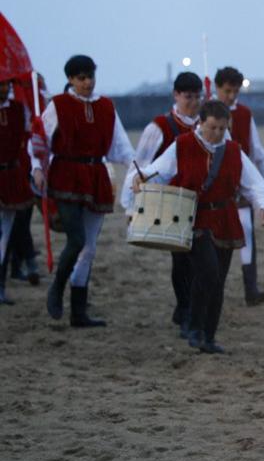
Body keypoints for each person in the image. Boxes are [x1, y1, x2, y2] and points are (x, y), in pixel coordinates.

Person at [132, 100, 264, 353]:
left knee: (218, 280)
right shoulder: (183, 145)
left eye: (222, 128)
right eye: (213, 128)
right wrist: (142, 176)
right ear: (201, 123)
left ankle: (209, 337)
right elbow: (160, 170)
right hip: (194, 217)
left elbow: (254, 184)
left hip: (225, 218)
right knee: (208, 271)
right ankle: (195, 326)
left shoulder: (233, 151)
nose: (218, 133)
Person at [32, 55, 135, 327]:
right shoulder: (58, 105)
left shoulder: (106, 106)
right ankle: (57, 288)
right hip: (66, 176)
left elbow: (121, 145)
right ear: (70, 79)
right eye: (81, 78)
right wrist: (37, 168)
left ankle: (78, 312)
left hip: (96, 177)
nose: (87, 83)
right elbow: (40, 141)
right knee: (76, 240)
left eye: (90, 77)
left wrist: (138, 170)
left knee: (89, 248)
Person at [122, 71, 202, 337]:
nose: (193, 102)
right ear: (176, 95)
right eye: (188, 97)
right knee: (182, 260)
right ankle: (185, 309)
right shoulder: (159, 127)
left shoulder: (207, 125)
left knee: (200, 260)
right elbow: (139, 165)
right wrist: (130, 206)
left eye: (197, 97)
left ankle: (189, 309)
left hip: (202, 201)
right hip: (170, 202)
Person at [214, 66, 264, 306]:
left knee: (246, 232)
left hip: (240, 185)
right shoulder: (206, 112)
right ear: (217, 88)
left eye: (235, 92)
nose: (231, 96)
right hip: (213, 188)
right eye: (227, 91)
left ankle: (251, 288)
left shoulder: (245, 114)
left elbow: (257, 151)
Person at [0, 77, 34, 305]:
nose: (4, 88)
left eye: (6, 84)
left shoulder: (18, 109)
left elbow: (30, 136)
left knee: (6, 234)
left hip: (11, 175)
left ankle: (1, 285)